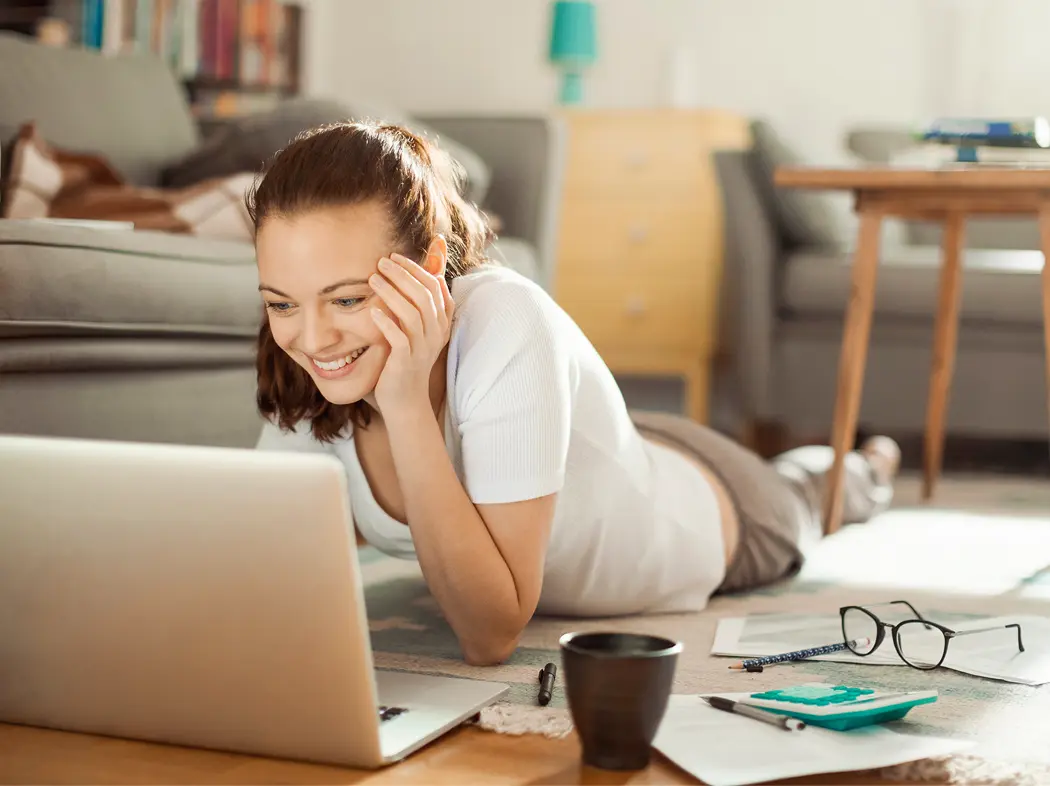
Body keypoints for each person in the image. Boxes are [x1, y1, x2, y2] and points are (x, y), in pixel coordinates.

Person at [248, 121, 901, 666]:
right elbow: (260, 577)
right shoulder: (309, 359)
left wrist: (407, 404)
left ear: (426, 269)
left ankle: (866, 466)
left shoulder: (505, 319)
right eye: (281, 303)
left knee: (811, 493)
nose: (312, 338)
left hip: (715, 507)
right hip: (602, 455)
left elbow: (490, 633)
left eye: (348, 298)